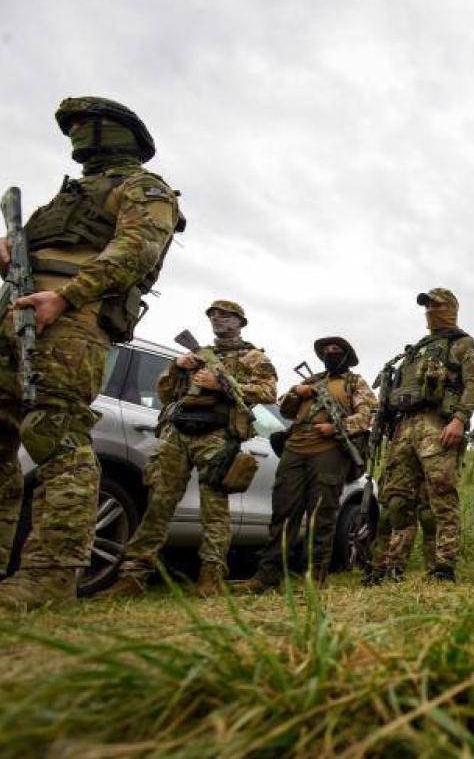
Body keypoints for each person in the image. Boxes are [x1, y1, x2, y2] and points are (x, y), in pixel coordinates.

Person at [0, 97, 180, 610]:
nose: (76, 133)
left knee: (54, 435)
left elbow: (137, 250)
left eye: (84, 124)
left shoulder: (144, 188)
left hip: (72, 319)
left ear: (116, 133)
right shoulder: (66, 198)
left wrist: (67, 296)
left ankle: (50, 578)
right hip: (16, 313)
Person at [102, 301, 277, 598]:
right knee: (158, 504)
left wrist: (221, 384)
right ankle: (133, 575)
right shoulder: (198, 354)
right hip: (178, 432)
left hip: (216, 435)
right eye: (213, 315)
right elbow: (166, 393)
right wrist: (176, 367)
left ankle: (211, 576)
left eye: (225, 315)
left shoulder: (253, 357)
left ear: (240, 322)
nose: (217, 319)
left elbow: (268, 393)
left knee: (214, 509)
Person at [365, 288, 474, 583]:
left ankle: (443, 567)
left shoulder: (462, 344)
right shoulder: (415, 351)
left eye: (436, 305)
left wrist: (459, 420)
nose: (430, 310)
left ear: (452, 308)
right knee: (396, 500)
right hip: (404, 426)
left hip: (438, 423)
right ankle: (389, 566)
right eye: (427, 306)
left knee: (441, 499)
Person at [241, 337, 376, 592]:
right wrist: (297, 392)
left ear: (346, 356)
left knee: (321, 516)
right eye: (327, 350)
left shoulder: (354, 383)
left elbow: (366, 415)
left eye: (336, 350)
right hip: (295, 449)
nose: (330, 353)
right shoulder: (311, 380)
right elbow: (285, 409)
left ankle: (315, 577)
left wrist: (336, 427)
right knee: (283, 513)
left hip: (329, 451)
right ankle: (267, 576)